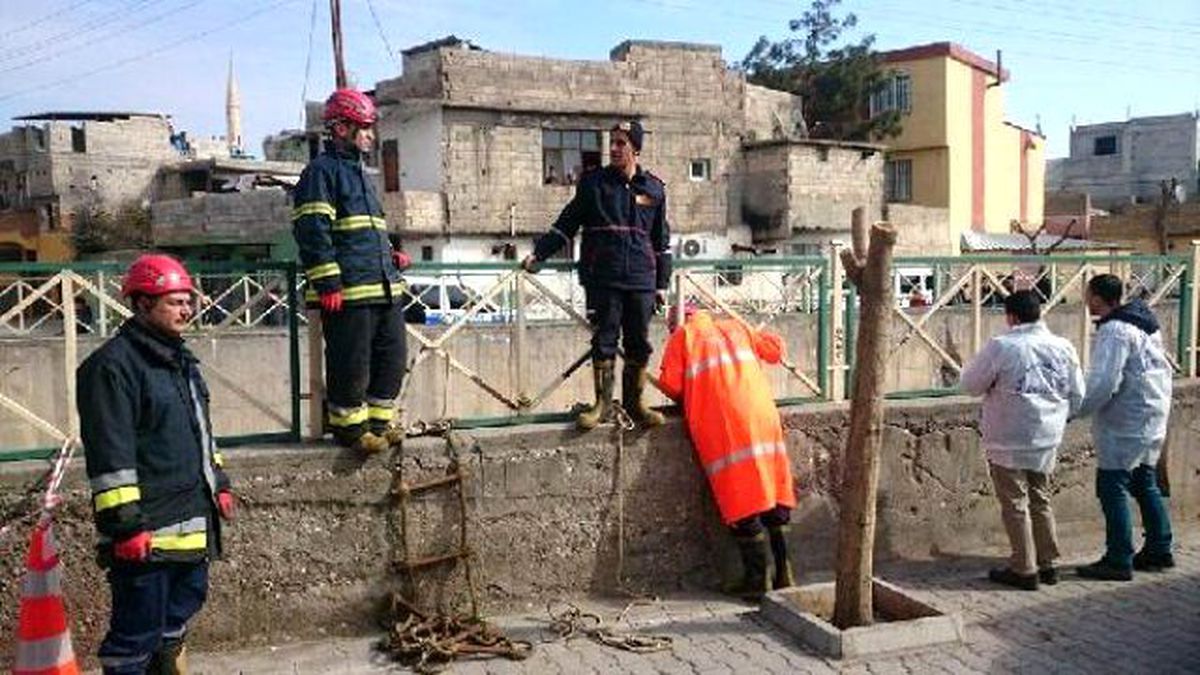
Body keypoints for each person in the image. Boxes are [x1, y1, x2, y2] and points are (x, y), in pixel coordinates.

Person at [77, 254, 235, 674]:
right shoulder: (112, 367)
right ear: (142, 304)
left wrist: (218, 481)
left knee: (177, 617)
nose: (186, 310)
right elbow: (111, 455)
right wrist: (125, 525)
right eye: (174, 302)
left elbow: (201, 433)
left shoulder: (181, 362)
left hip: (192, 522)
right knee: (135, 635)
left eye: (188, 302)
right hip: (145, 532)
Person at [522, 120, 671, 429]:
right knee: (604, 341)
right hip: (603, 276)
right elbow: (567, 223)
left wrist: (662, 284)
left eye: (621, 143)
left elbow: (661, 242)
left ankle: (635, 403)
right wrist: (539, 254)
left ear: (636, 149)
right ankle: (601, 405)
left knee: (639, 344)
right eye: (612, 142)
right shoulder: (593, 184)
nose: (614, 148)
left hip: (641, 278)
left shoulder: (654, 188)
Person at [293, 88, 411, 454]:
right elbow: (313, 229)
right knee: (351, 362)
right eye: (365, 128)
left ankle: (378, 422)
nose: (371, 136)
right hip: (348, 293)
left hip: (383, 287)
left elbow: (363, 229)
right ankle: (350, 430)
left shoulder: (361, 175)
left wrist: (391, 254)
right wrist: (327, 281)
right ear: (341, 128)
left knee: (392, 358)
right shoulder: (320, 173)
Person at [658, 304, 797, 600]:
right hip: (762, 416)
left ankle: (758, 581)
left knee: (742, 498)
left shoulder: (683, 336)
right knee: (773, 493)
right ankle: (785, 571)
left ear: (677, 321)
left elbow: (671, 384)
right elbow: (774, 351)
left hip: (725, 424)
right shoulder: (736, 326)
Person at [959, 290, 1084, 590]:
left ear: (1011, 317)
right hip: (1047, 435)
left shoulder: (1003, 346)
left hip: (1009, 436)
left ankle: (1024, 567)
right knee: (1041, 496)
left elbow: (970, 385)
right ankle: (1049, 563)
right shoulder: (1062, 346)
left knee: (1015, 502)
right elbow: (1077, 393)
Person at [1072, 274, 1174, 581]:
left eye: (1088, 295)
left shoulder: (1115, 330)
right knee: (1145, 481)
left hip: (1127, 419)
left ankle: (1118, 558)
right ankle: (1159, 548)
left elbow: (1105, 382)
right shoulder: (1143, 323)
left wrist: (1077, 410)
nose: (1086, 301)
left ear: (1098, 298)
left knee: (1112, 485)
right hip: (1152, 414)